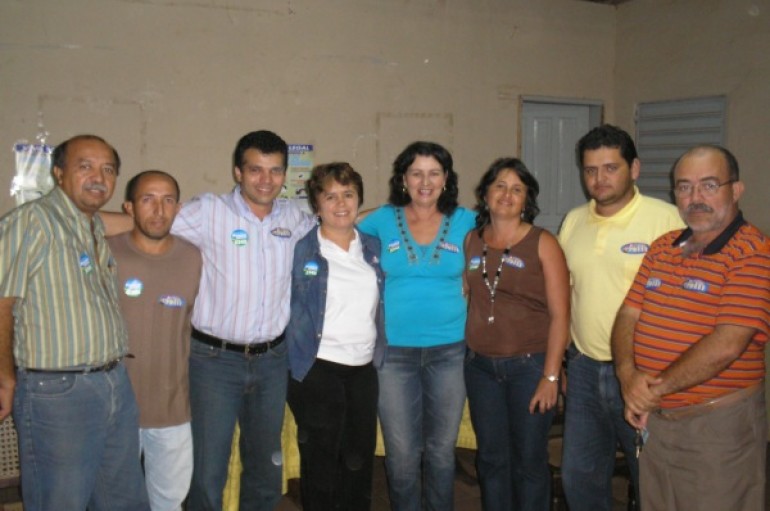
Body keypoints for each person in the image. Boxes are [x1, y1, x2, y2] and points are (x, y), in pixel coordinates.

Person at [103, 130, 316, 510]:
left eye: (275, 171)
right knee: (206, 471)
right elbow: (147, 222)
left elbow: (337, 224)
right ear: (238, 172)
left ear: (285, 174)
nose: (266, 180)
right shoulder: (207, 211)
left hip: (271, 361)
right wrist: (72, 220)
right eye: (255, 170)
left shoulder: (296, 220)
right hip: (214, 362)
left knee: (266, 467)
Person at [612, 145, 770, 511]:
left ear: (736, 189)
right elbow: (628, 315)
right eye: (684, 187)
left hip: (716, 428)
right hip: (658, 421)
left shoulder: (753, 252)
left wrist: (652, 390)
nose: (695, 198)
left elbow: (728, 343)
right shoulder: (663, 247)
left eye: (709, 185)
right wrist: (627, 376)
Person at [0, 134, 150, 511]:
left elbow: (137, 223)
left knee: (123, 498)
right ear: (58, 173)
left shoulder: (91, 224)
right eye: (85, 167)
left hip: (113, 382)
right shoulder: (31, 223)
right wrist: (4, 376)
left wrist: (156, 212)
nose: (98, 177)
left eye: (108, 169)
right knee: (61, 501)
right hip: (58, 392)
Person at [558, 124, 684, 511]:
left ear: (635, 168)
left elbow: (684, 306)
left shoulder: (668, 221)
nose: (599, 179)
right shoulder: (574, 221)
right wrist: (562, 361)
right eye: (590, 169)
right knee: (579, 478)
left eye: (610, 168)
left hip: (643, 374)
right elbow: (569, 293)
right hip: (583, 371)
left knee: (651, 480)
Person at [358, 141, 476, 511]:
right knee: (402, 453)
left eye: (434, 173)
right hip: (394, 353)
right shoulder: (381, 219)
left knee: (441, 452)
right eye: (416, 173)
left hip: (450, 350)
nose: (425, 181)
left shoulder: (467, 221)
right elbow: (338, 225)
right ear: (403, 178)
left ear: (446, 179)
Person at [463, 158, 570, 510]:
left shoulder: (544, 243)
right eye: (499, 186)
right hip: (480, 369)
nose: (507, 194)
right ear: (485, 194)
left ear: (527, 200)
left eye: (517, 189)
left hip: (529, 368)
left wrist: (551, 376)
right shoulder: (472, 240)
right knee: (491, 460)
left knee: (529, 461)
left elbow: (560, 315)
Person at [286, 162, 386, 511]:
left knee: (359, 461)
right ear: (317, 204)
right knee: (322, 463)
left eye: (348, 194)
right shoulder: (300, 249)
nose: (341, 203)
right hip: (317, 368)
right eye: (330, 196)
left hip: (363, 369)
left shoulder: (372, 246)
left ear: (359, 199)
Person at [108, 170, 202, 511]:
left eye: (167, 200)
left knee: (168, 501)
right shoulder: (106, 255)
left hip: (173, 407)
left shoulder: (194, 258)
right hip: (115, 408)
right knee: (115, 501)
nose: (158, 210)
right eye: (148, 199)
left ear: (178, 207)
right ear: (129, 207)